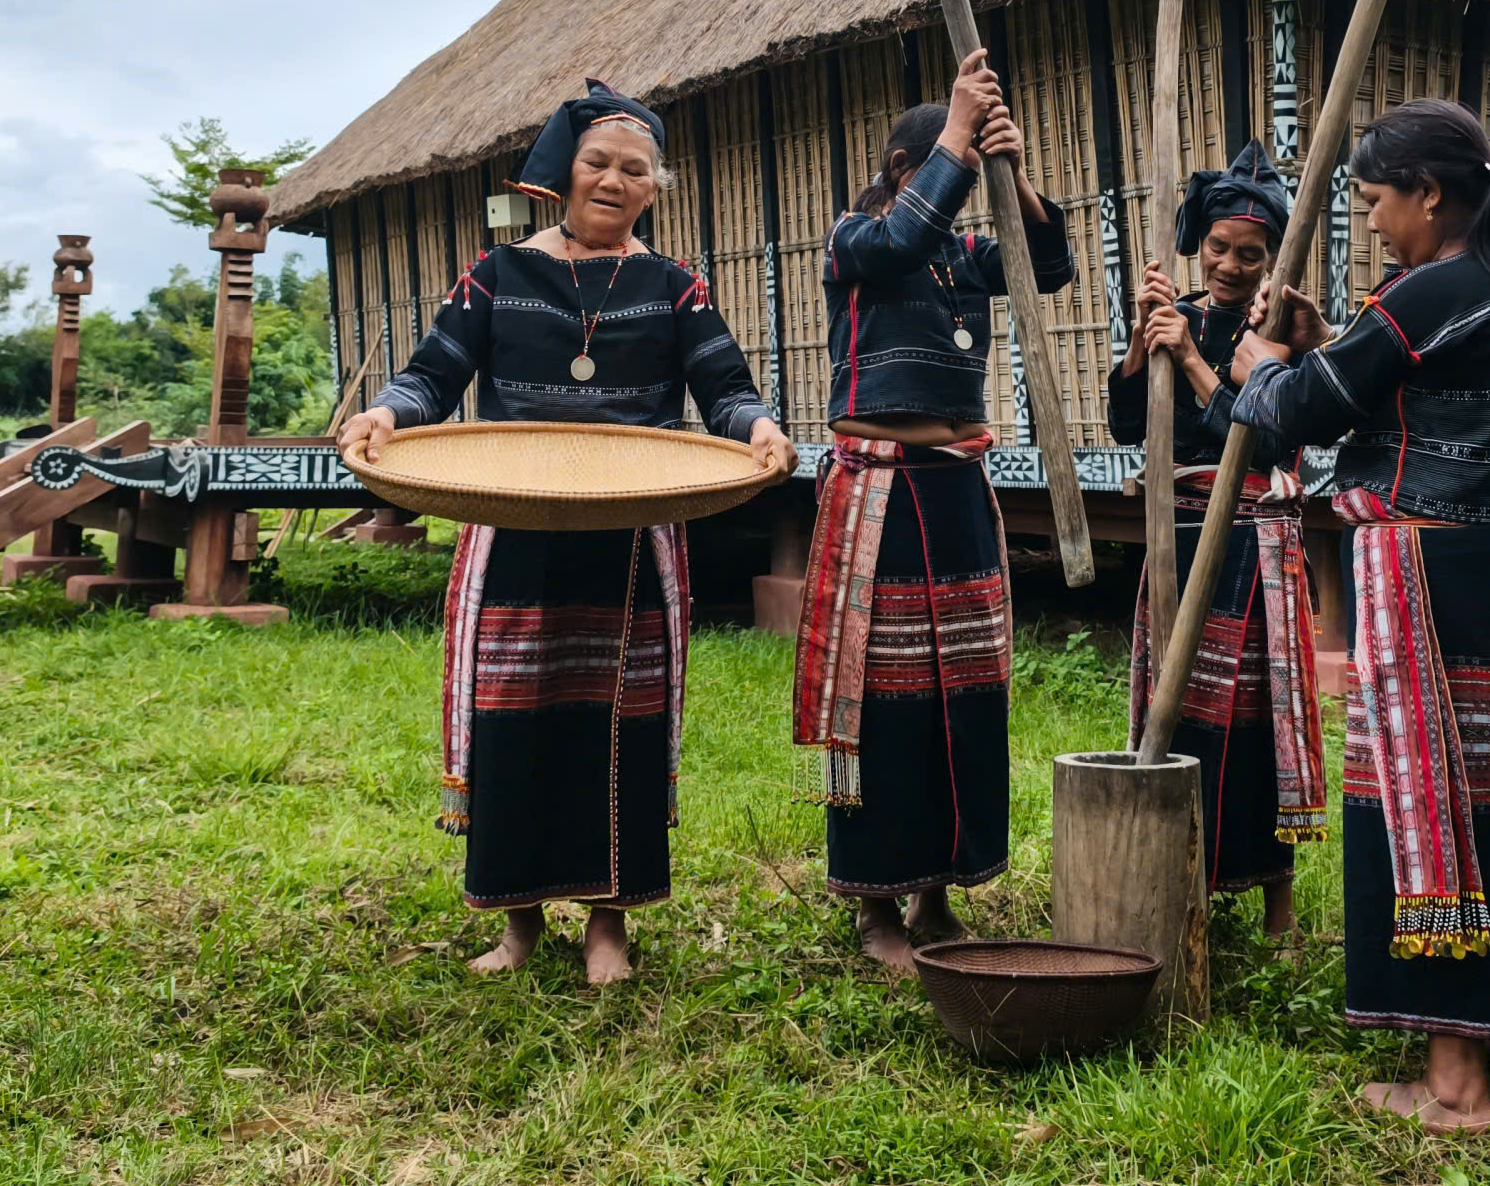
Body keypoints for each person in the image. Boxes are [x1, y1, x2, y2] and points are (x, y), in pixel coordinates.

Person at [340, 81, 794, 987]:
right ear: (566, 172)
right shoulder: (498, 275)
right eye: (598, 163)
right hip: (514, 529)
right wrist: (388, 412)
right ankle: (516, 922)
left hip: (628, 536)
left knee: (617, 720)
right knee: (515, 716)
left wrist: (759, 429)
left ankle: (608, 924)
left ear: (653, 188)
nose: (613, 181)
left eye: (634, 170)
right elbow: (435, 371)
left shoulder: (675, 287)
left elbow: (725, 386)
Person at [1228, 99, 1490, 1134]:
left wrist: (1257, 370)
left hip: (1432, 576)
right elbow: (1385, 385)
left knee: (1423, 806)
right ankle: (1488, 1031)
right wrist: (1318, 343)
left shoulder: (1433, 284)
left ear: (1430, 194)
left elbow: (1305, 408)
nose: (1373, 219)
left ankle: (1454, 1086)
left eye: (1377, 197)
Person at [792, 49, 1075, 975]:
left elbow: (1049, 267)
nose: (956, 191)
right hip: (877, 488)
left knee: (960, 689)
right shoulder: (856, 238)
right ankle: (875, 903)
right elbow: (904, 238)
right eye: (946, 165)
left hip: (954, 486)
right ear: (910, 172)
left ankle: (937, 889)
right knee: (880, 697)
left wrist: (1015, 173)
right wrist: (959, 130)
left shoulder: (964, 256)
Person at [1107, 139, 1327, 936]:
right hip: (1182, 534)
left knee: (1261, 719)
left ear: (1272, 259)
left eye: (1250, 253)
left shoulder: (1282, 335)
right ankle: (1181, 878)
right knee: (1183, 713)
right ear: (1199, 247)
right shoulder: (1181, 318)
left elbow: (1263, 443)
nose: (1232, 265)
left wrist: (1195, 360)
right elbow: (1129, 424)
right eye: (1219, 249)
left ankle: (1278, 904)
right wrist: (1144, 339)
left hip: (1256, 544)